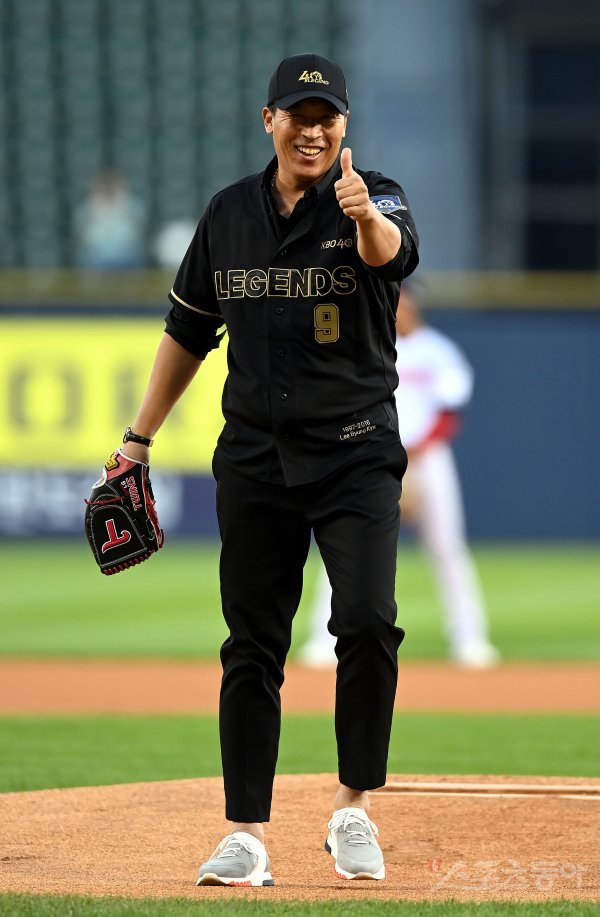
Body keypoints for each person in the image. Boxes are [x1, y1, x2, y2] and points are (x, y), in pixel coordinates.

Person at [118, 53, 418, 886]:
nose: (313, 131)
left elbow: (391, 254)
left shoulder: (377, 196)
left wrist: (363, 217)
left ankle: (353, 808)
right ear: (270, 120)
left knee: (366, 620)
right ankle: (246, 834)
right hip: (255, 457)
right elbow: (188, 330)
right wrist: (138, 438)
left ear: (344, 126)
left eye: (328, 118)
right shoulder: (227, 214)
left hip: (356, 451)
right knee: (251, 643)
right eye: (299, 116)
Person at [299, 282, 500, 669]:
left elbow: (449, 412)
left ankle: (470, 638)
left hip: (427, 459)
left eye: (403, 305)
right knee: (344, 546)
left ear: (415, 308)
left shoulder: (438, 351)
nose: (398, 311)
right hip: (372, 459)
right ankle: (323, 639)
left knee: (446, 546)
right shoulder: (367, 347)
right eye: (393, 305)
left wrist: (413, 452)